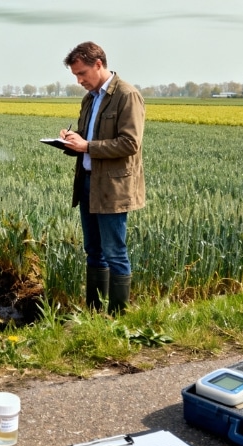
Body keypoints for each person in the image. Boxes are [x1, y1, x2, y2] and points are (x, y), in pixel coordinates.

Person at [58, 41, 146, 315]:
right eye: (75, 75)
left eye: (82, 73)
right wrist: (70, 141)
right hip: (86, 182)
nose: (79, 80)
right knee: (93, 251)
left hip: (113, 187)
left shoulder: (127, 95)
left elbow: (130, 143)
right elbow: (87, 139)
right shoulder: (90, 98)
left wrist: (87, 146)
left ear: (98, 64)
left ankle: (117, 317)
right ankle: (94, 313)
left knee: (114, 253)